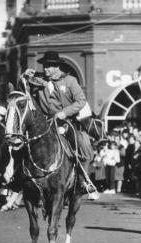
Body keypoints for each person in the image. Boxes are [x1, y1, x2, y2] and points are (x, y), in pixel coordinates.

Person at [22, 51, 97, 198]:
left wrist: (64, 112)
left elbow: (81, 101)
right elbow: (22, 91)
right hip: (43, 122)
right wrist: (23, 77)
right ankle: (17, 179)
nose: (45, 69)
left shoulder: (70, 81)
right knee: (22, 143)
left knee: (83, 143)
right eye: (44, 66)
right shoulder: (36, 79)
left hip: (65, 121)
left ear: (57, 67)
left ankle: (83, 181)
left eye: (49, 66)